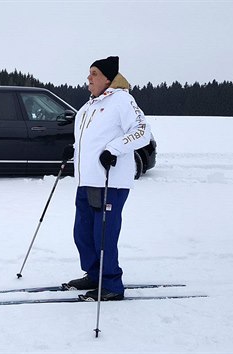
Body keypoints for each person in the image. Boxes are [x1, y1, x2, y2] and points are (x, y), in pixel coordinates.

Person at [61, 56, 151, 300]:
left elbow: (142, 132)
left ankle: (111, 284)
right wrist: (75, 149)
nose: (88, 78)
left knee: (103, 235)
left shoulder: (122, 100)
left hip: (110, 182)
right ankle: (94, 274)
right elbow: (92, 139)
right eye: (89, 73)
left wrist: (115, 149)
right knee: (82, 233)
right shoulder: (88, 106)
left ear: (108, 79)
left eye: (94, 73)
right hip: (87, 181)